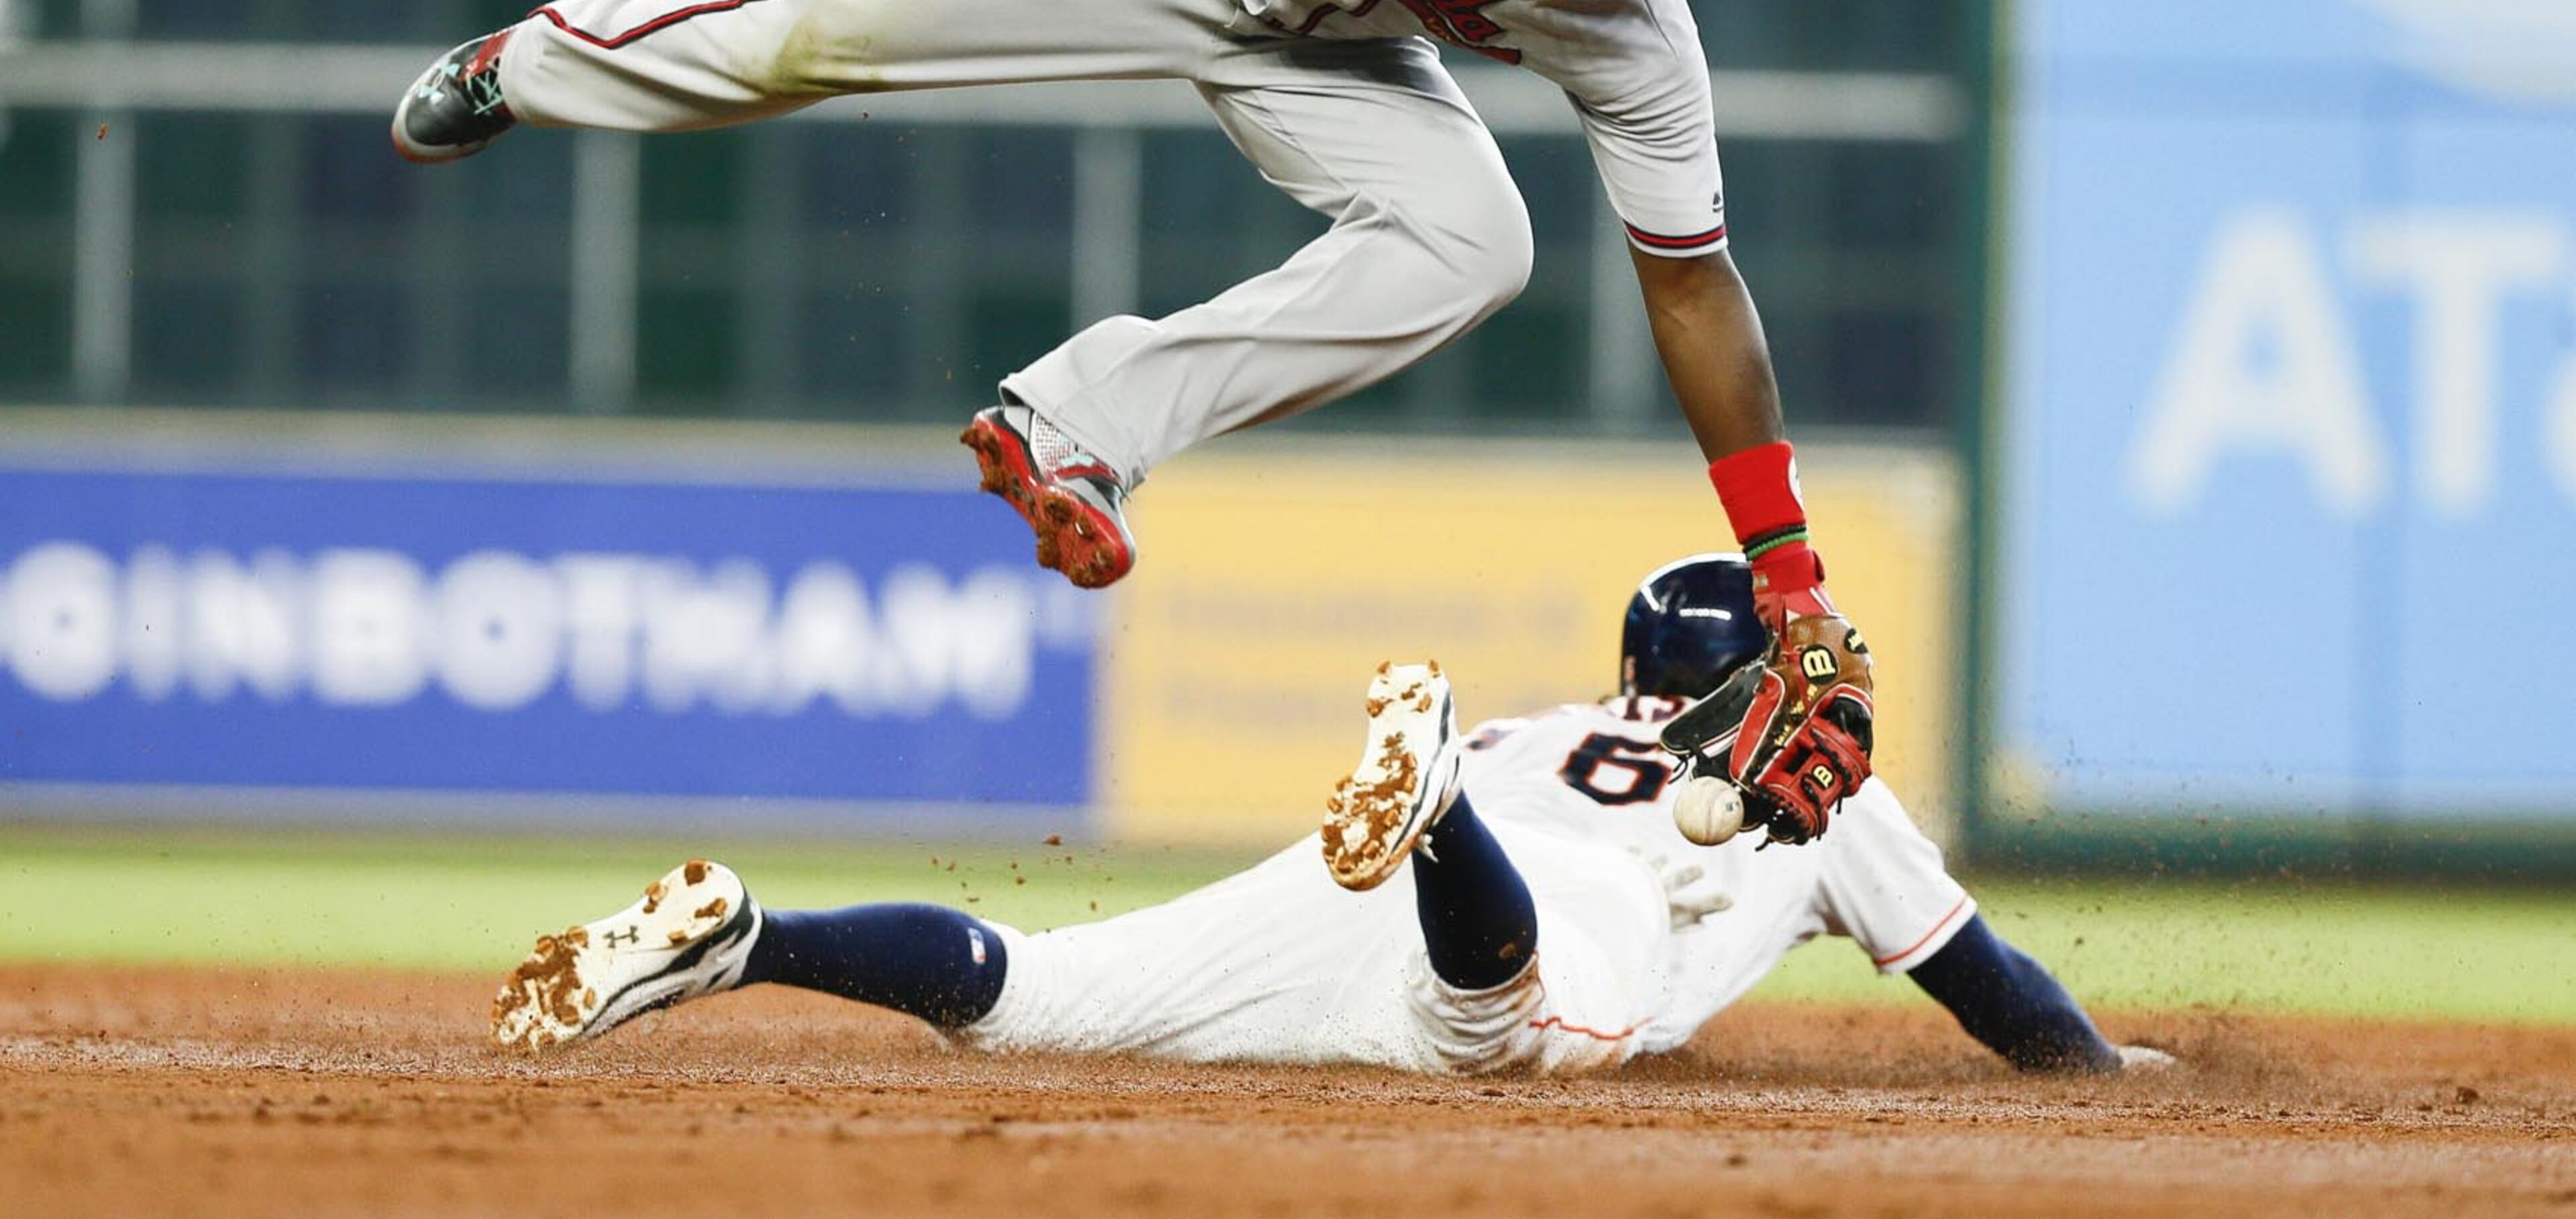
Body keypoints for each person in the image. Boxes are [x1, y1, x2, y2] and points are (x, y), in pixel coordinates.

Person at [388, 0, 1835, 637]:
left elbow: (1696, 293)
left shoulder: (1633, 30)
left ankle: (1076, 428)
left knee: (1478, 247)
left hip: (1313, 41)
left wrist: (1787, 571)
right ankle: (523, 66)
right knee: (812, 37)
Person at [489, 555, 2171, 1079]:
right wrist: (2107, 1081)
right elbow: (1991, 986)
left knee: (1040, 1002)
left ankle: (757, 938)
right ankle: (1427, 808)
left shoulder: (1557, 723)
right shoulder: (1820, 785)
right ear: (1763, 679)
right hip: (1522, 892)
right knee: (1500, 1032)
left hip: (1370, 863)